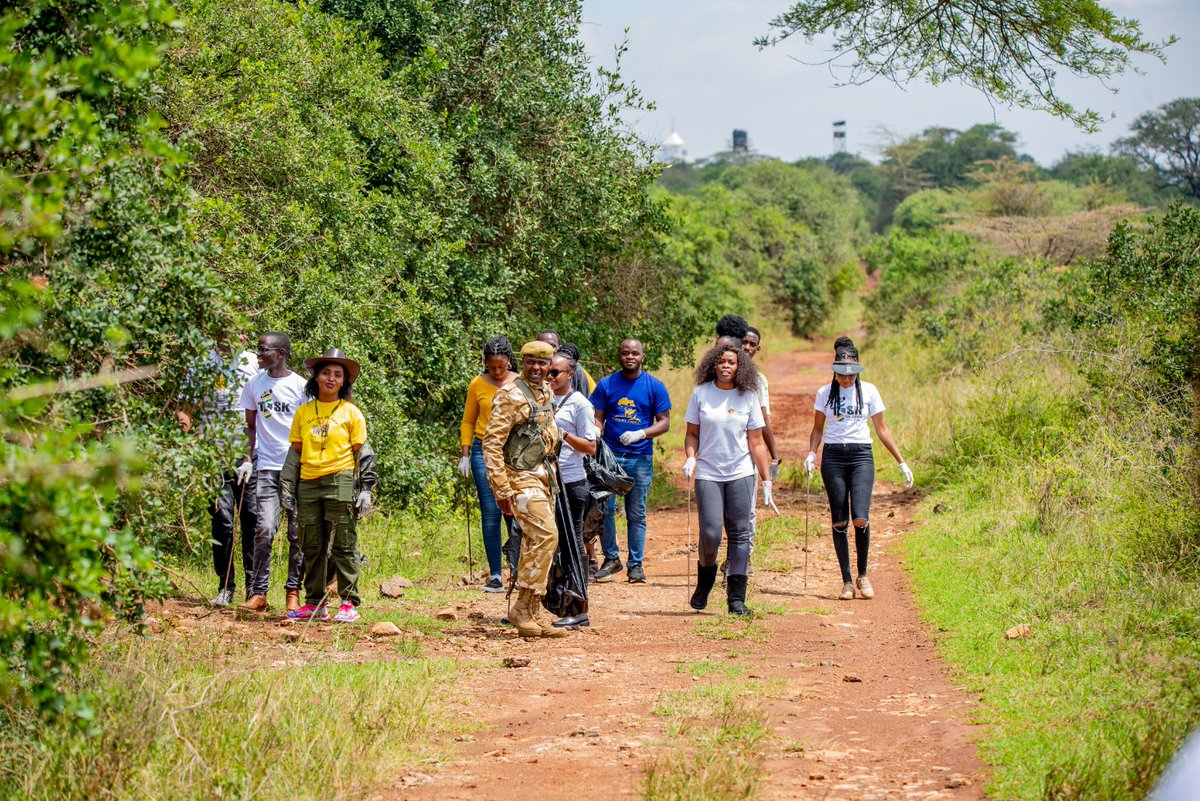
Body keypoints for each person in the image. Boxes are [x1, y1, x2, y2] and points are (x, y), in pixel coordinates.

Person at [803, 336, 913, 601]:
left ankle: (863, 576)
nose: (846, 379)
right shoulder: (824, 394)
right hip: (833, 457)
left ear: (858, 371)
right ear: (835, 371)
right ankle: (846, 582)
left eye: (851, 374)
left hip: (861, 456)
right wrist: (811, 453)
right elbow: (817, 429)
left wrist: (901, 461)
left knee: (860, 517)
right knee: (839, 520)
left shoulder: (870, 391)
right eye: (842, 374)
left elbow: (882, 429)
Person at [481, 341, 566, 639]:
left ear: (549, 365)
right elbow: (491, 444)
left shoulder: (546, 391)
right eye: (531, 362)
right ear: (522, 362)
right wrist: (501, 488)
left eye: (542, 363)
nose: (536, 368)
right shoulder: (510, 395)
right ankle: (520, 608)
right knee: (546, 535)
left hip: (543, 476)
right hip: (518, 478)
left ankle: (532, 608)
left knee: (535, 542)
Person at [682, 342, 773, 616]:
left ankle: (736, 599)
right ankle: (705, 581)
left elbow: (756, 442)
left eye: (731, 362)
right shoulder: (701, 394)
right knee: (710, 534)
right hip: (708, 472)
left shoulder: (748, 397)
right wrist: (690, 457)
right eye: (721, 361)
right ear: (713, 365)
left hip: (741, 472)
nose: (725, 366)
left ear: (739, 367)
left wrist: (766, 480)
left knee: (740, 534)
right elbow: (692, 433)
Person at [282, 348, 368, 623]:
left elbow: (363, 453)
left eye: (337, 375)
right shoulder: (303, 412)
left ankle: (349, 602)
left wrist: (365, 489)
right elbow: (295, 452)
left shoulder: (351, 412)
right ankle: (314, 603)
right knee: (311, 544)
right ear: (316, 377)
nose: (331, 378)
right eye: (326, 373)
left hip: (341, 479)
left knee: (343, 542)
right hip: (308, 482)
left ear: (344, 382)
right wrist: (287, 487)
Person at [179, 346, 261, 607]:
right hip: (213, 455)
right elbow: (186, 408)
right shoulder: (201, 362)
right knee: (221, 519)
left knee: (251, 519)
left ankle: (254, 589)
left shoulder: (254, 361)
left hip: (251, 453)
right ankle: (225, 587)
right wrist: (180, 442)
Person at [590, 338, 672, 583]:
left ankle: (635, 565)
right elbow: (597, 415)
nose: (630, 357)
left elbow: (664, 423)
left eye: (635, 353)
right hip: (609, 457)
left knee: (636, 513)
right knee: (604, 509)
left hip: (640, 457)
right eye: (625, 353)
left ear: (642, 357)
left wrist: (642, 433)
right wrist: (596, 431)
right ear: (619, 355)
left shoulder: (654, 386)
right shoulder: (606, 384)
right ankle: (611, 558)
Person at [238, 332, 308, 612]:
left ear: (280, 354)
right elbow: (250, 426)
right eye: (257, 349)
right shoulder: (254, 383)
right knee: (264, 529)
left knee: (296, 533)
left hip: (296, 468)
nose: (258, 355)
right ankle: (259, 593)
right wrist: (247, 459)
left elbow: (309, 427)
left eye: (263, 350)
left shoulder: (301, 386)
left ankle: (293, 591)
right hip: (266, 467)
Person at [459, 336, 519, 592]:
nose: (496, 372)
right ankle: (495, 574)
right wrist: (465, 454)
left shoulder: (520, 382)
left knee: (515, 510)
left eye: (501, 367)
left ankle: (517, 570)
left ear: (509, 362)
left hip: (513, 451)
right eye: (491, 367)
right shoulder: (477, 384)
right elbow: (468, 420)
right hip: (483, 449)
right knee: (491, 511)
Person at [549, 351, 598, 607]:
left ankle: (579, 603)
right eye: (547, 372)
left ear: (570, 374)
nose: (549, 377)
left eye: (555, 372)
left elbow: (590, 447)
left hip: (571, 481)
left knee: (573, 540)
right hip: (546, 481)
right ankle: (555, 599)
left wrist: (563, 434)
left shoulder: (580, 404)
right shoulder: (542, 399)